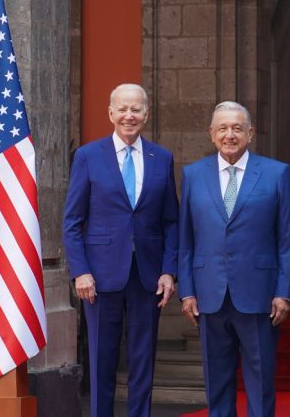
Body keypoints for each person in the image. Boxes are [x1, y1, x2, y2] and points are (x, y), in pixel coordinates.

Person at [63, 84, 179, 417]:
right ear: (111, 113)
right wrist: (80, 271)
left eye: (137, 109)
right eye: (123, 109)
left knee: (144, 359)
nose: (130, 116)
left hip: (148, 275)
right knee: (102, 359)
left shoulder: (162, 157)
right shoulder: (88, 156)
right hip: (99, 276)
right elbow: (73, 221)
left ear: (147, 113)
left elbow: (171, 220)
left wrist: (169, 271)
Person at [178, 101, 290, 417]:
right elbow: (185, 239)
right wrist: (187, 290)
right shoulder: (192, 174)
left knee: (260, 380)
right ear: (211, 134)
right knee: (216, 380)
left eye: (236, 128)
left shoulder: (276, 173)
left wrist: (283, 291)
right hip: (209, 294)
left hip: (259, 293)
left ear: (250, 133)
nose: (229, 135)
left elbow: (287, 240)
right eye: (222, 128)